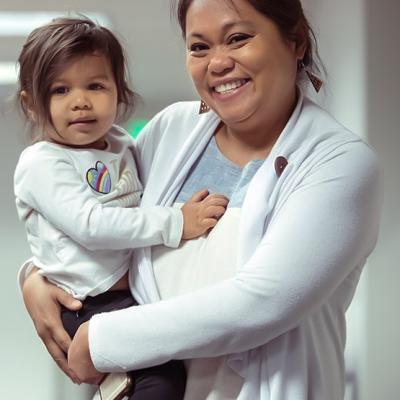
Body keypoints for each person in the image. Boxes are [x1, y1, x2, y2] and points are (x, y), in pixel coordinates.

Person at [19, 1, 382, 399]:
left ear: (295, 41)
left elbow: (260, 304)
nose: (218, 62)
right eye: (199, 47)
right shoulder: (170, 130)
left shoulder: (340, 163)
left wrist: (100, 339)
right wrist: (35, 276)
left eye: (238, 38)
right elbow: (102, 215)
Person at [14, 16, 229, 400]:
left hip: (127, 296)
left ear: (119, 92)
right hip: (88, 301)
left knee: (159, 376)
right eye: (60, 90)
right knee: (160, 382)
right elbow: (92, 225)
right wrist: (176, 222)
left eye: (95, 86)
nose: (80, 100)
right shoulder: (42, 163)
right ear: (32, 104)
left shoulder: (121, 144)